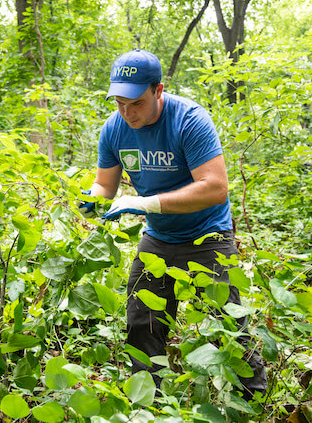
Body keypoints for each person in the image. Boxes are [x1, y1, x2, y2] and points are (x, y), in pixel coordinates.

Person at [81, 49, 267, 400]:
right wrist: (93, 199)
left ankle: (252, 401)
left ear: (158, 90)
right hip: (158, 238)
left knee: (227, 328)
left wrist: (145, 203)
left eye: (135, 102)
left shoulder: (190, 120)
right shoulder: (114, 128)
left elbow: (215, 188)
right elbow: (105, 185)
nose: (126, 112)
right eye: (119, 102)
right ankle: (147, 404)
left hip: (207, 236)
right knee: (142, 324)